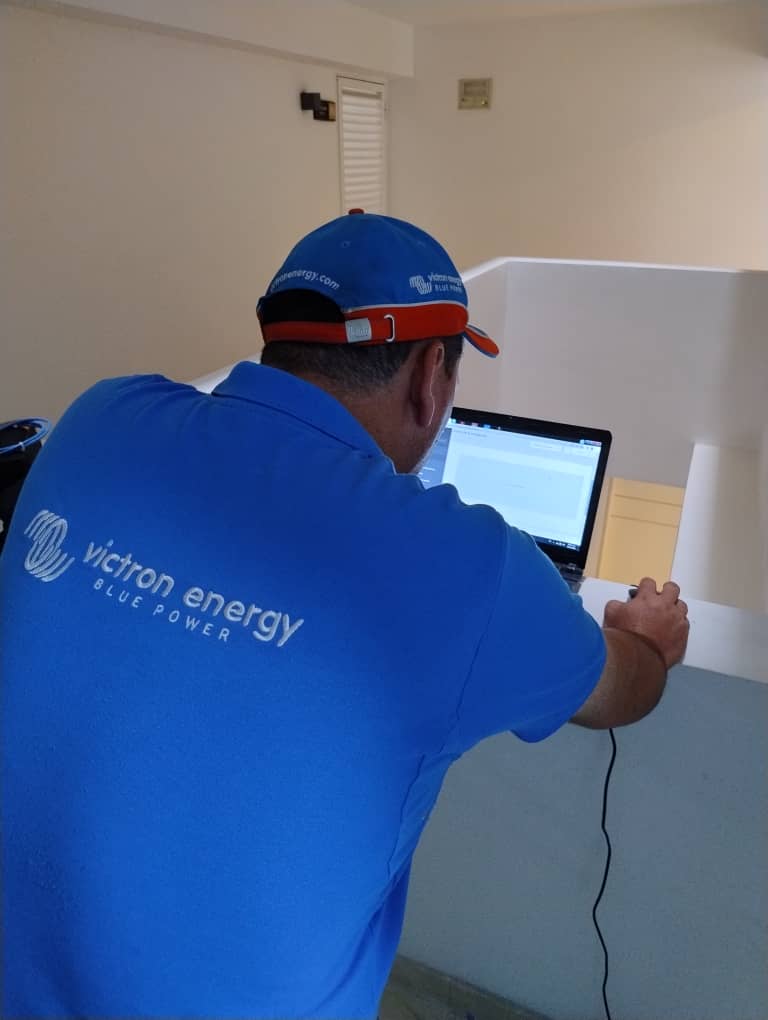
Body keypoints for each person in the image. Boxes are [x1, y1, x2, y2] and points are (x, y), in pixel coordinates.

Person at [0, 211, 689, 1020]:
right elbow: (620, 692)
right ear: (431, 376)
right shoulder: (469, 564)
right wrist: (645, 638)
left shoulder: (102, 417)